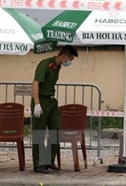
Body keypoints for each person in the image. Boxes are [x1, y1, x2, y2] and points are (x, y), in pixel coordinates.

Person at [31, 45, 78, 173]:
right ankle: (38, 164)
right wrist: (37, 104)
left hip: (51, 101)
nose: (69, 62)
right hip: (41, 100)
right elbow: (35, 83)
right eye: (69, 59)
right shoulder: (45, 64)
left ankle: (49, 160)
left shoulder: (57, 67)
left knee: (56, 130)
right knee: (39, 133)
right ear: (64, 56)